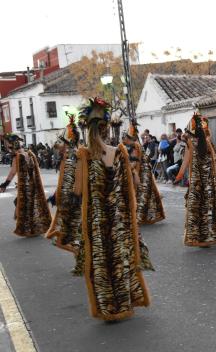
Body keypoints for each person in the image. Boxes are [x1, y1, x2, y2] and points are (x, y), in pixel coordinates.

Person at [73, 97, 152, 321]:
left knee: (101, 262)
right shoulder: (119, 152)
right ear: (107, 128)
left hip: (96, 220)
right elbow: (134, 184)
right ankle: (124, 302)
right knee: (120, 259)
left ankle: (107, 307)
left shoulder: (84, 155)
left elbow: (78, 190)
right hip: (118, 218)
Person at [175, 111, 216, 247]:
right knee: (208, 209)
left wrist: (178, 176)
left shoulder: (191, 144)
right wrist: (214, 181)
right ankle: (209, 236)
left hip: (197, 183)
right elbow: (214, 163)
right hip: (208, 183)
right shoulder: (207, 144)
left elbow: (185, 162)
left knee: (195, 209)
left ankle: (198, 237)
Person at [0, 133, 51, 237]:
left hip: (25, 188)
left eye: (7, 143)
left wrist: (4, 184)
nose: (6, 146)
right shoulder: (29, 153)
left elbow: (13, 172)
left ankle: (30, 228)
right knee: (28, 206)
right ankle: (35, 227)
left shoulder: (17, 157)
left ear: (11, 145)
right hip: (33, 185)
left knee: (23, 207)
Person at [46, 113, 81, 253]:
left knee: (70, 228)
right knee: (66, 230)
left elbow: (76, 177)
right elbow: (64, 178)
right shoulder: (67, 154)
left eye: (60, 142)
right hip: (67, 198)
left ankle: (79, 251)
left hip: (73, 198)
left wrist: (72, 196)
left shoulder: (74, 154)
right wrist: (57, 193)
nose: (57, 146)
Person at [123, 122, 165, 225]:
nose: (124, 141)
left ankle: (139, 218)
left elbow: (135, 162)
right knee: (146, 195)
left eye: (125, 139)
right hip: (144, 172)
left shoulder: (135, 146)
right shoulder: (135, 145)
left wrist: (126, 169)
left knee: (143, 195)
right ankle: (145, 217)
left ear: (129, 139)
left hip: (144, 173)